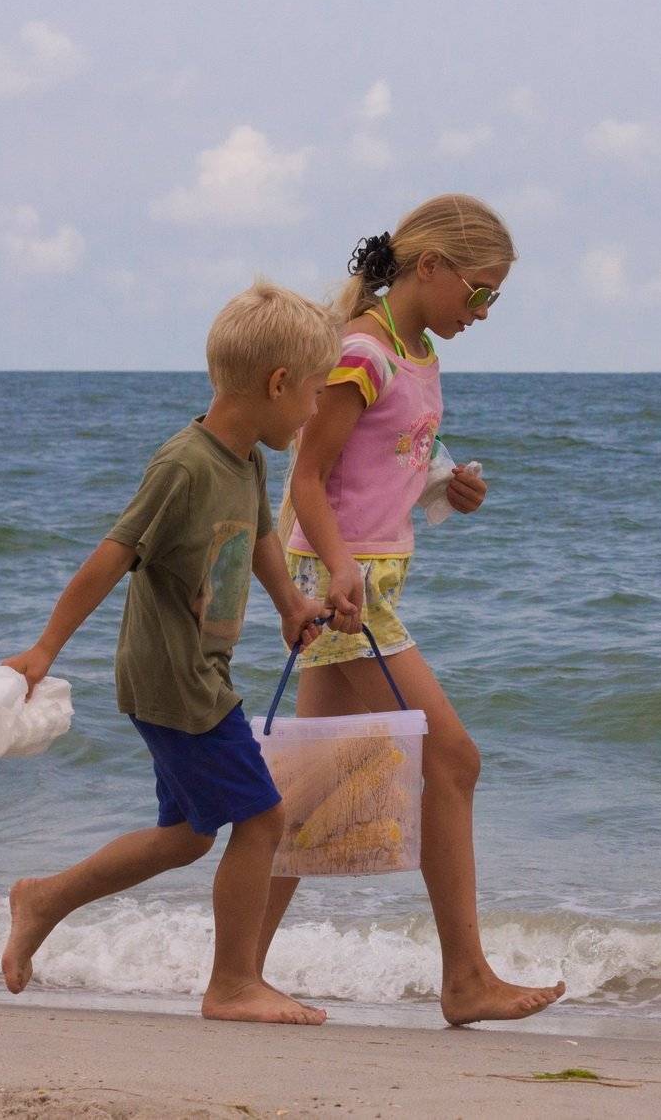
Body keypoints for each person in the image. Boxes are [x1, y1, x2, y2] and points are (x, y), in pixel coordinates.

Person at [0, 280, 340, 1026]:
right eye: (314, 393)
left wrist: (291, 607)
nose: (315, 410)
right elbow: (112, 554)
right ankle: (233, 984)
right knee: (263, 818)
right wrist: (45, 648)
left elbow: (260, 537)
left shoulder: (247, 462)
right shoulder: (185, 465)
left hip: (196, 671)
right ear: (278, 383)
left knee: (186, 836)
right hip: (176, 678)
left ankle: (44, 899)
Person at [262, 194, 566, 1025]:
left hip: (370, 581)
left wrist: (445, 486)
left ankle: (233, 972)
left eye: (494, 297)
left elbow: (382, 466)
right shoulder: (362, 351)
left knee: (311, 788)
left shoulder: (417, 351)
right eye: (479, 291)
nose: (483, 311)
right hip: (345, 588)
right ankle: (465, 977)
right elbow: (308, 479)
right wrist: (339, 568)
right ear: (429, 267)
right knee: (453, 759)